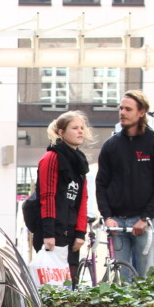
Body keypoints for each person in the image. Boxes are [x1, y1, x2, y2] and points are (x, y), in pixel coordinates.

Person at [94, 90, 154, 279]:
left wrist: (145, 217)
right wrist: (107, 216)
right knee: (120, 276)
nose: (122, 112)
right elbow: (101, 183)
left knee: (147, 274)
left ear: (142, 112)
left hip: (144, 221)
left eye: (128, 109)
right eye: (121, 108)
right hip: (116, 222)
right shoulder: (111, 145)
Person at [33, 111, 92, 281]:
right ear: (61, 132)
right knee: (49, 285)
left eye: (82, 128)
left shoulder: (81, 162)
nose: (80, 131)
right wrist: (48, 233)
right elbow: (47, 195)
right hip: (52, 232)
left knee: (69, 286)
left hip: (72, 234)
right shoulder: (51, 158)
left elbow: (82, 200)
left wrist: (81, 233)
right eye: (75, 128)